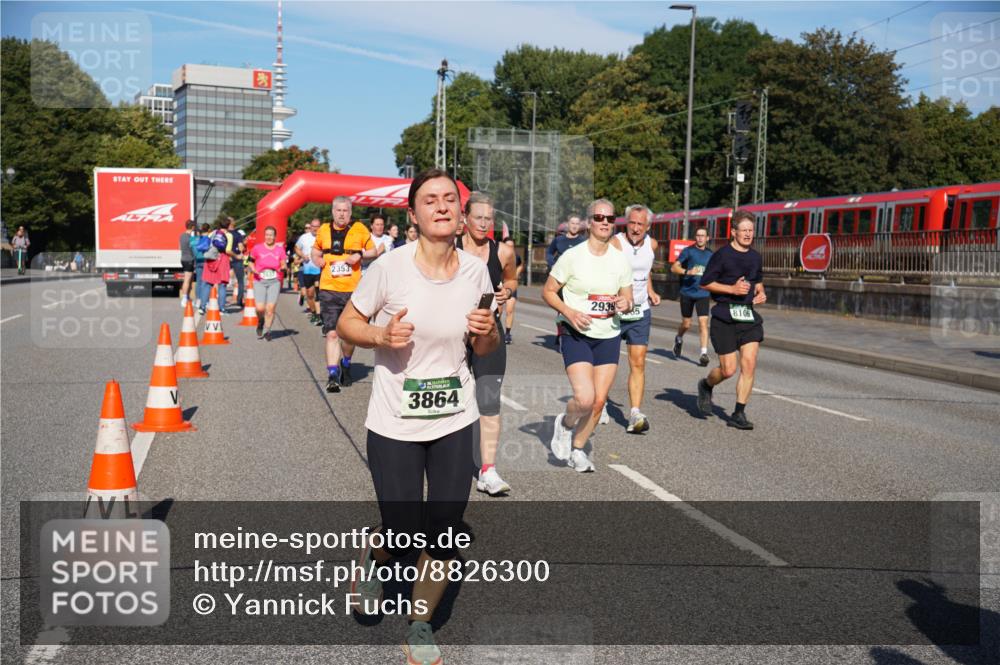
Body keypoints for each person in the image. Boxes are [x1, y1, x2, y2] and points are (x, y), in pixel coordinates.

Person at [336, 168, 499, 665]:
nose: (443, 206)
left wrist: (488, 330)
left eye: (450, 198)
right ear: (413, 213)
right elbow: (347, 323)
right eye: (430, 200)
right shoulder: (390, 268)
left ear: (461, 212)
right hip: (395, 421)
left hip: (454, 417)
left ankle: (420, 624)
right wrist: (381, 337)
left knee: (445, 529)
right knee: (402, 527)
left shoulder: (475, 272)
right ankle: (376, 558)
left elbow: (485, 347)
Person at [543, 199, 633, 473]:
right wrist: (568, 312)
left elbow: (627, 295)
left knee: (597, 402)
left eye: (610, 218)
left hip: (609, 335)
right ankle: (565, 424)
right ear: (589, 222)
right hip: (577, 333)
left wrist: (625, 303)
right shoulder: (573, 256)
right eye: (599, 217)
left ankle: (578, 450)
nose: (605, 222)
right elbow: (547, 291)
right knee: (584, 398)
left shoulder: (620, 259)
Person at [456, 192, 519, 496]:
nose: (483, 223)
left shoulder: (503, 251)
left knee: (489, 398)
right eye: (478, 217)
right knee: (453, 394)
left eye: (488, 218)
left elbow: (511, 280)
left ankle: (488, 471)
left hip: (488, 330)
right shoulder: (448, 248)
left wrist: (506, 291)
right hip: (452, 330)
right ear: (464, 218)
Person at [696, 210, 767, 430]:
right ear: (733, 232)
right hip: (725, 315)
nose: (748, 234)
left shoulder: (755, 257)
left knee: (749, 363)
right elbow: (705, 283)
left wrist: (760, 294)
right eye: (744, 230)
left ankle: (738, 412)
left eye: (751, 230)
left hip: (747, 315)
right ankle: (706, 385)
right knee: (728, 370)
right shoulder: (722, 255)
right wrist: (731, 289)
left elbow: (757, 282)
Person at [311, 196, 384, 393]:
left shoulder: (359, 229)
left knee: (349, 336)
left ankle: (346, 362)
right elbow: (315, 251)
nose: (341, 214)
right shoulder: (324, 230)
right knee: (332, 334)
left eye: (345, 210)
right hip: (329, 288)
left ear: (350, 213)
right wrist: (316, 260)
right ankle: (332, 375)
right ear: (333, 212)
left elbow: (374, 251)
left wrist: (359, 255)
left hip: (353, 291)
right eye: (338, 210)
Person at [609, 204, 660, 434]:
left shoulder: (652, 244)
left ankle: (635, 412)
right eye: (632, 223)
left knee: (638, 362)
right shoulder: (615, 243)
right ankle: (599, 404)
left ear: (648, 226)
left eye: (641, 224)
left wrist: (650, 290)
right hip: (615, 311)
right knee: (607, 364)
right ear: (625, 223)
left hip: (640, 311)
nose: (636, 228)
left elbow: (645, 270)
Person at [672, 227, 713, 366]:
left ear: (708, 238)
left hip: (703, 293)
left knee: (703, 323)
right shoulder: (688, 251)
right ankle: (678, 338)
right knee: (687, 324)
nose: (700, 238)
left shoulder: (710, 255)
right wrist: (687, 271)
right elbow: (674, 267)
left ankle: (703, 353)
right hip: (687, 293)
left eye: (703, 236)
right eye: (698, 235)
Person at [248, 226, 285, 341]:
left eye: (271, 235)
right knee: (260, 308)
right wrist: (253, 269)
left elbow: (283, 263)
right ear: (264, 236)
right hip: (259, 280)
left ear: (275, 236)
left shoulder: (280, 250)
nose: (269, 237)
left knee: (270, 308)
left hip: (274, 280)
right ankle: (260, 321)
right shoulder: (257, 248)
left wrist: (283, 268)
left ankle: (267, 330)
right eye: (267, 235)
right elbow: (250, 261)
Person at [295, 219, 322, 326]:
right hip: (308, 270)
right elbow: (296, 248)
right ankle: (315, 313)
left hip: (320, 269)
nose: (315, 229)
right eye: (313, 226)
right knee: (310, 294)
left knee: (318, 291)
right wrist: (302, 256)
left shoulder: (324, 237)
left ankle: (320, 315)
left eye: (317, 226)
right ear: (310, 227)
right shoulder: (304, 237)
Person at [202, 220, 232, 311]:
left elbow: (206, 244)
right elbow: (228, 250)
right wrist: (237, 256)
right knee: (222, 284)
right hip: (222, 259)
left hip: (211, 259)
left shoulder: (213, 233)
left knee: (208, 283)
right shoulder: (229, 235)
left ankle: (202, 306)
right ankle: (222, 308)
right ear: (228, 226)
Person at [501, 237, 523, 344]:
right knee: (498, 312)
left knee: (509, 309)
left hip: (511, 286)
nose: (510, 248)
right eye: (508, 245)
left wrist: (516, 274)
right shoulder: (497, 254)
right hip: (499, 285)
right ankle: (495, 331)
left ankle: (507, 334)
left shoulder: (516, 257)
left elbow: (520, 265)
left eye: (512, 246)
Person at [227, 218, 246, 310]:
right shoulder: (237, 234)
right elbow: (241, 246)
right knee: (240, 280)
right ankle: (239, 300)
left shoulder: (223, 233)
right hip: (237, 258)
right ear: (233, 223)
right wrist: (241, 254)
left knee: (221, 281)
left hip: (226, 258)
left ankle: (219, 300)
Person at [192, 223, 211, 311]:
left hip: (198, 261)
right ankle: (205, 300)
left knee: (199, 281)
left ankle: (198, 300)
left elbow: (193, 250)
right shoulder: (209, 239)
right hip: (206, 261)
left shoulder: (195, 240)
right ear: (208, 230)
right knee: (206, 281)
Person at [179, 220, 196, 307]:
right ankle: (184, 299)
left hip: (183, 258)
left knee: (190, 280)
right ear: (192, 227)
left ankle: (188, 298)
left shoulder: (181, 236)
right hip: (189, 259)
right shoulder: (191, 238)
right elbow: (193, 250)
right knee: (187, 280)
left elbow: (180, 247)